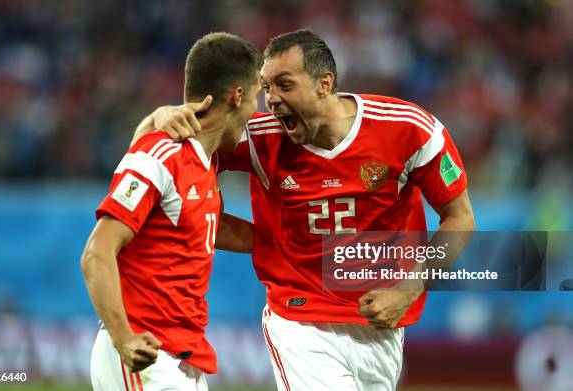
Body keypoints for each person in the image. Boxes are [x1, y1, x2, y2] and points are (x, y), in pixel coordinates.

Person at [135, 29, 475, 391]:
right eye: (265, 88)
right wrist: (159, 116)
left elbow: (461, 218)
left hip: (380, 325)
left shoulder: (407, 129)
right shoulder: (257, 137)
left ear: (324, 84)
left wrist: (408, 290)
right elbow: (161, 161)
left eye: (284, 84)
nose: (272, 100)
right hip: (299, 319)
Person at [80, 32, 262, 391]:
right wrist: (124, 338)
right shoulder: (162, 155)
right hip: (145, 351)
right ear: (237, 95)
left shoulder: (203, 163)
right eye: (256, 96)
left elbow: (208, 227)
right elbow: (96, 252)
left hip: (184, 357)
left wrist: (291, 240)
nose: (258, 111)